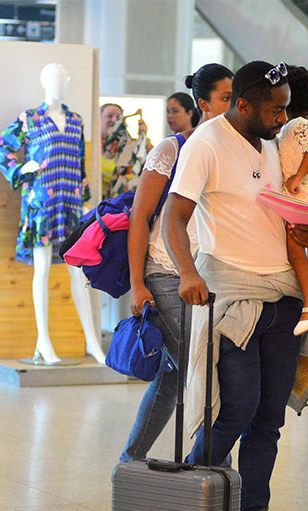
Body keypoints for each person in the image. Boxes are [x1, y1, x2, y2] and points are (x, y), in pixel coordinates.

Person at [163, 61, 308, 511]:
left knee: (269, 419)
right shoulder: (206, 143)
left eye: (286, 109)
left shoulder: (281, 142)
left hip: (285, 298)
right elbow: (174, 215)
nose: (283, 118)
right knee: (237, 406)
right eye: (275, 110)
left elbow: (298, 203)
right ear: (244, 104)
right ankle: (190, 500)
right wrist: (188, 273)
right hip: (232, 296)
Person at [119, 63, 234, 463]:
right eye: (224, 98)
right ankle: (215, 473)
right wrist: (137, 283)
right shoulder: (172, 149)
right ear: (202, 104)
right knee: (203, 371)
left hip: (212, 275)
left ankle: (131, 463)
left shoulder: (234, 151)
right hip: (166, 273)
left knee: (173, 376)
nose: (233, 105)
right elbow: (139, 217)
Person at [0, 62, 106, 365]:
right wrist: (20, 169)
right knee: (42, 270)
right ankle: (44, 341)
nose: (62, 85)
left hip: (69, 205)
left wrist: (84, 199)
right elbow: (2, 145)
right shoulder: (29, 119)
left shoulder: (76, 121)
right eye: (57, 79)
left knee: (78, 271)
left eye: (65, 80)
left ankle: (93, 342)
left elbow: (80, 163)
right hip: (41, 204)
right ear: (45, 82)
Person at [277, 65, 308, 335]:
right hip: (302, 194)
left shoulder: (298, 125)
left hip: (305, 193)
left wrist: (298, 176)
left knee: (295, 249)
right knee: (295, 249)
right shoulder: (291, 127)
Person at [100, 103, 152, 200]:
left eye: (119, 117)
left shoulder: (127, 149)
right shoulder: (90, 147)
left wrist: (144, 138)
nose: (114, 120)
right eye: (109, 116)